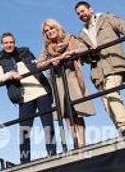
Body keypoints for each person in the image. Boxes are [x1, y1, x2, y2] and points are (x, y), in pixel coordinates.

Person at [74, 1, 125, 136]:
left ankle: (124, 126)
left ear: (90, 9)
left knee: (111, 92)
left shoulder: (106, 18)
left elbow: (121, 24)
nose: (81, 14)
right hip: (98, 72)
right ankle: (122, 131)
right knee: (106, 102)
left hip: (113, 63)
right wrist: (91, 53)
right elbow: (84, 56)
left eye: (83, 11)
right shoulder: (82, 34)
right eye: (78, 13)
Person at [0, 32, 56, 164]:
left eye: (11, 42)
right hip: (24, 97)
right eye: (6, 43)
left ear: (14, 43)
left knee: (48, 125)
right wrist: (11, 75)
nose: (9, 45)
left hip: (41, 91)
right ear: (2, 45)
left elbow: (37, 64)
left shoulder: (25, 52)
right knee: (24, 131)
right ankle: (25, 162)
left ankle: (52, 155)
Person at [40, 18, 95, 148]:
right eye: (46, 31)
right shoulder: (47, 47)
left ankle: (82, 143)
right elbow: (39, 64)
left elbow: (84, 48)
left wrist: (71, 53)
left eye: (51, 28)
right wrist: (51, 61)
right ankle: (75, 142)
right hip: (58, 82)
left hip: (73, 78)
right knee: (65, 113)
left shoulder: (69, 38)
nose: (50, 32)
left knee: (77, 112)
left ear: (57, 28)